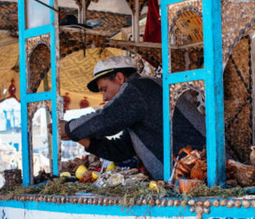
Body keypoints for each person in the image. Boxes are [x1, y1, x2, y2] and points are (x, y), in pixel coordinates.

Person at [59, 56, 206, 180]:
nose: (104, 97)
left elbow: (106, 118)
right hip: (191, 177)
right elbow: (121, 150)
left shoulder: (138, 89)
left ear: (120, 78)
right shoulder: (139, 105)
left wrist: (68, 128)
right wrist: (79, 138)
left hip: (203, 169)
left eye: (104, 89)